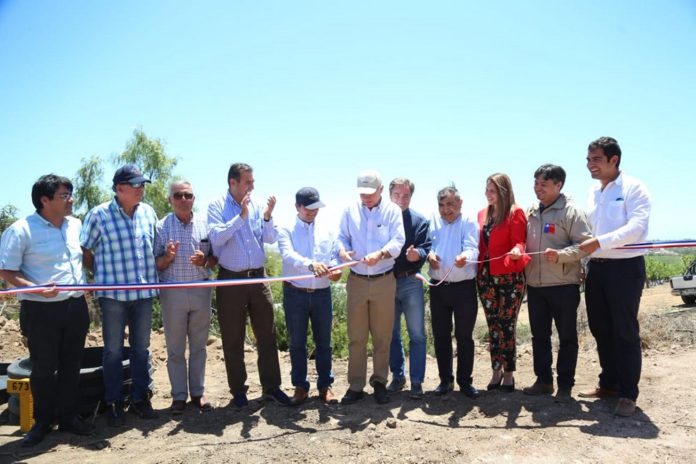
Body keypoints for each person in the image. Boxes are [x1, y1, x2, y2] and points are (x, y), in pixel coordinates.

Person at [0, 175, 93, 446]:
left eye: (70, 194)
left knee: (71, 365)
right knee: (43, 368)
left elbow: (84, 258)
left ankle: (69, 417)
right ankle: (42, 422)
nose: (71, 200)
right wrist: (37, 288)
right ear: (44, 200)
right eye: (64, 195)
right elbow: (7, 270)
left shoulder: (75, 225)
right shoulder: (22, 230)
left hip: (75, 305)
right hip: (41, 310)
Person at [578, 137, 651, 417]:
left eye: (595, 159)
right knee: (600, 328)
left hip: (625, 268)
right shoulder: (593, 192)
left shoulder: (634, 188)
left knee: (625, 331)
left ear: (613, 160)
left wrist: (600, 242)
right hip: (596, 268)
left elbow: (637, 228)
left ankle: (628, 393)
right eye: (588, 160)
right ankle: (608, 383)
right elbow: (588, 230)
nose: (589, 165)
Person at [81, 164, 159, 426]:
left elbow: (156, 251)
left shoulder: (148, 213)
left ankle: (140, 398)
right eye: (136, 185)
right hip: (113, 296)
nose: (141, 189)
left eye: (142, 184)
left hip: (143, 294)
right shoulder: (98, 215)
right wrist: (102, 278)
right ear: (119, 189)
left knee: (141, 349)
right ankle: (113, 402)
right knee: (113, 351)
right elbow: (86, 252)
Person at [207, 162, 290, 407]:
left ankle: (272, 387)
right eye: (248, 182)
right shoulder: (216, 207)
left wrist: (266, 216)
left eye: (253, 181)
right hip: (231, 278)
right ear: (233, 183)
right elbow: (217, 237)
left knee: (267, 334)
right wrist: (240, 218)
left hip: (258, 278)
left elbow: (270, 238)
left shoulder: (255, 205)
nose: (253, 186)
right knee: (233, 337)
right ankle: (239, 392)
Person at [522, 164, 592, 402]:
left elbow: (586, 245)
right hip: (536, 285)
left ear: (558, 185)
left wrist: (561, 255)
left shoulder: (571, 212)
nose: (537, 188)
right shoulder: (531, 211)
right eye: (535, 183)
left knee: (567, 337)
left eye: (544, 184)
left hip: (563, 285)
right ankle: (543, 381)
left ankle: (565, 385)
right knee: (539, 336)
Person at [338, 169, 405, 405]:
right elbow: (341, 238)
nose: (366, 198)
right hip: (356, 280)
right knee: (356, 337)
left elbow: (398, 241)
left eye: (370, 193)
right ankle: (355, 386)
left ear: (380, 190)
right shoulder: (349, 211)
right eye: (362, 193)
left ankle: (379, 382)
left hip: (384, 280)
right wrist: (343, 250)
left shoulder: (392, 211)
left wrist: (381, 253)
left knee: (382, 336)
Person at [154, 181, 217, 414]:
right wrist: (167, 258)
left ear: (193, 199)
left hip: (201, 290)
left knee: (199, 346)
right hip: (172, 292)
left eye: (188, 195)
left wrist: (205, 261)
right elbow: (155, 265)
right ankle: (179, 396)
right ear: (170, 199)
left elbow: (215, 260)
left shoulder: (205, 225)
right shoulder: (161, 227)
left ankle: (198, 394)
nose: (183, 199)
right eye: (178, 195)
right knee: (175, 348)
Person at [278, 187, 341, 405]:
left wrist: (335, 271)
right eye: (309, 209)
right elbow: (288, 255)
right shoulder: (285, 229)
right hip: (295, 293)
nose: (313, 212)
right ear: (297, 206)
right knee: (297, 343)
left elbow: (334, 257)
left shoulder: (327, 230)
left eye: (316, 208)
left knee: (324, 342)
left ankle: (325, 386)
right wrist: (310, 264)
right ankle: (300, 387)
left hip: (322, 293)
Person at [427, 185, 481, 398]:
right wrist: (429, 255)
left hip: (464, 289)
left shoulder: (468, 221)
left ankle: (465, 382)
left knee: (464, 336)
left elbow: (473, 247)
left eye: (450, 204)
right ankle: (445, 380)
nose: (446, 209)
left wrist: (465, 257)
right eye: (441, 205)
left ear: (460, 203)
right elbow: (427, 246)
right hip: (438, 288)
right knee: (441, 336)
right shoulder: (433, 221)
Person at [477, 173, 529, 393]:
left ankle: (508, 374)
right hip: (485, 277)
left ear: (503, 191)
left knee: (506, 324)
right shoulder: (482, 214)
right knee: (493, 324)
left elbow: (520, 241)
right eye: (487, 189)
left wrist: (518, 249)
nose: (488, 194)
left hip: (509, 276)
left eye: (492, 190)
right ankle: (495, 371)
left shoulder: (515, 212)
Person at [386, 178, 430, 399]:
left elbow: (426, 248)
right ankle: (398, 376)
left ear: (411, 197)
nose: (401, 200)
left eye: (406, 196)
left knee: (417, 335)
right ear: (389, 194)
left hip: (411, 281)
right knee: (391, 334)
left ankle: (416, 382)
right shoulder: (381, 220)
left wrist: (418, 254)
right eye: (396, 195)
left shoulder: (420, 221)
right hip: (385, 283)